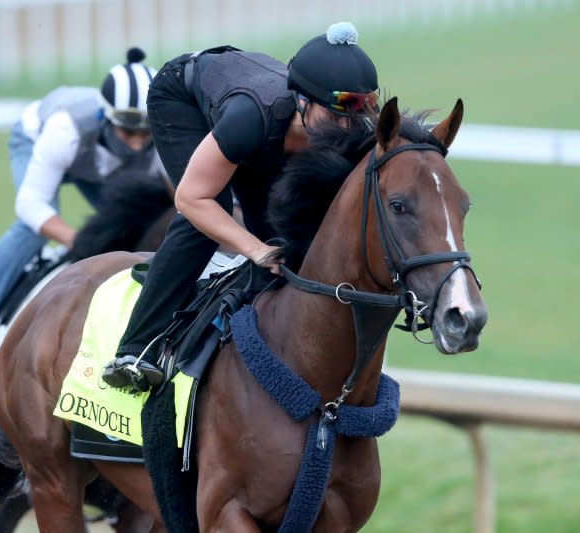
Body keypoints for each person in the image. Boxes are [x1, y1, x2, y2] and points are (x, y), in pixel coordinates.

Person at [102, 22, 380, 390]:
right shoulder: (251, 121)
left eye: (353, 118)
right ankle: (135, 349)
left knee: (283, 238)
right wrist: (254, 248)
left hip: (255, 118)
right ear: (302, 101)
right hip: (183, 100)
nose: (345, 128)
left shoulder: (341, 122)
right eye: (334, 115)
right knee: (207, 212)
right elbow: (190, 198)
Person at [0, 48, 167, 351]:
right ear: (104, 118)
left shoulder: (156, 138)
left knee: (137, 219)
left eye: (146, 135)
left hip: (96, 160)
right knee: (34, 228)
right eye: (128, 133)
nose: (137, 144)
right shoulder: (65, 129)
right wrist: (78, 241)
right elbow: (30, 205)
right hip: (36, 140)